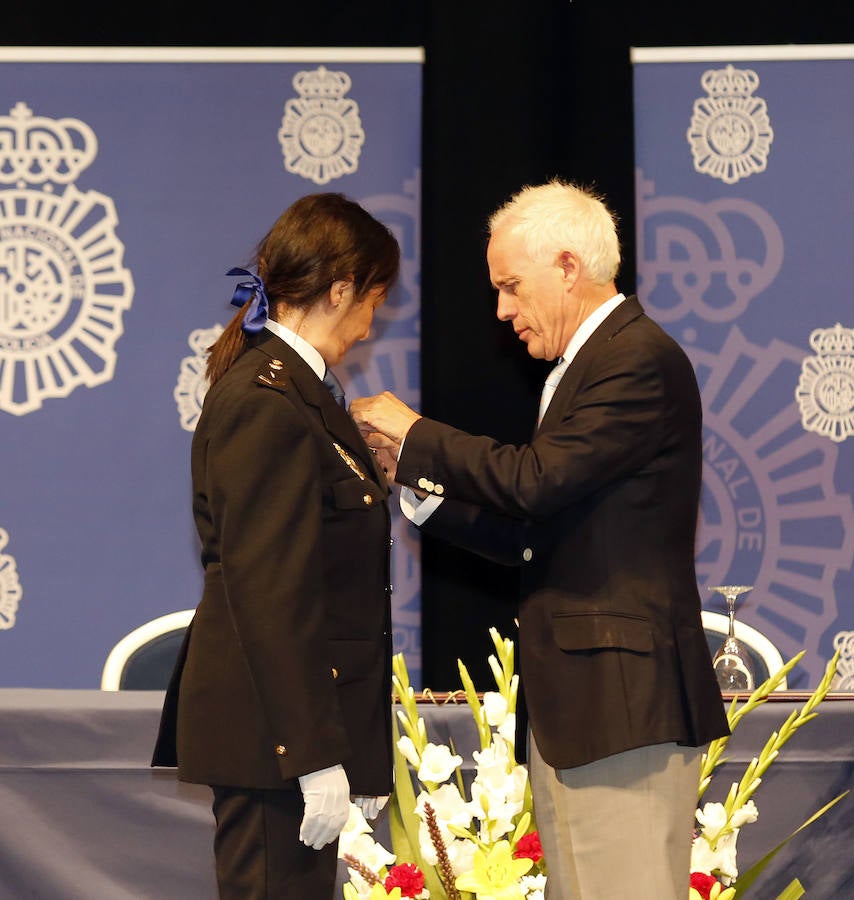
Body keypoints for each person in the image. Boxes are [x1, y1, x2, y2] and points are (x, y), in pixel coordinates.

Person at [350, 179, 730, 899]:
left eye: (510, 287)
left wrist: (417, 432)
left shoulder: (634, 358)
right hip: (583, 709)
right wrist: (422, 494)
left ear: (566, 267)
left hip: (624, 709)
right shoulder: (583, 366)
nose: (502, 310)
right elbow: (539, 533)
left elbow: (537, 482)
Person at [152, 192, 400, 900]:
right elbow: (271, 592)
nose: (369, 325)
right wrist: (313, 757)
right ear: (341, 289)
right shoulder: (267, 399)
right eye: (373, 300)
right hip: (272, 740)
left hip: (286, 733)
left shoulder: (301, 391)